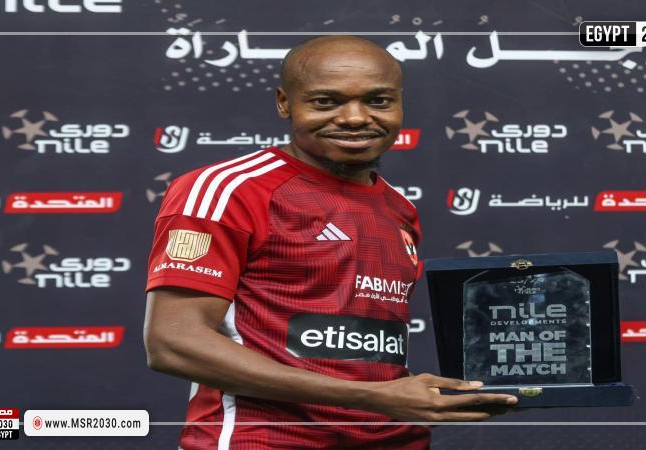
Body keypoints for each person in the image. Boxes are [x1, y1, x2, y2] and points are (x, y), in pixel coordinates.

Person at [143, 35, 516, 450]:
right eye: (325, 102)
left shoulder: (398, 207)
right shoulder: (229, 190)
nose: (355, 118)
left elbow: (365, 354)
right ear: (284, 103)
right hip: (267, 441)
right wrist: (373, 397)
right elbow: (173, 344)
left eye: (378, 101)